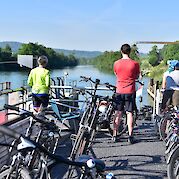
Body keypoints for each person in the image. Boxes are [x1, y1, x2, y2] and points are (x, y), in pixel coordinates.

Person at [113, 44, 140, 144]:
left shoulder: (116, 63)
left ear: (121, 51)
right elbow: (137, 76)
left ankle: (115, 135)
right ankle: (130, 136)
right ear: (130, 51)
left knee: (118, 113)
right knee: (129, 113)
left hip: (119, 90)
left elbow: (116, 74)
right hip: (130, 90)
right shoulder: (135, 64)